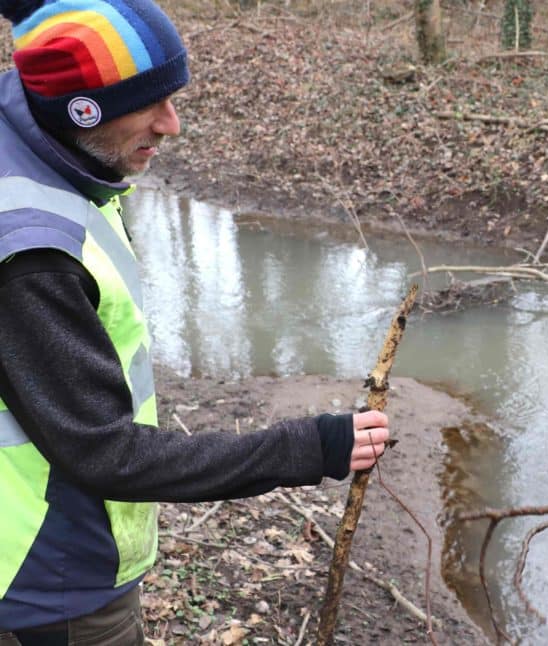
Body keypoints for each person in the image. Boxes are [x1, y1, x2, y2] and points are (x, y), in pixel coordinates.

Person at [0, 1, 389, 644]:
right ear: (81, 109)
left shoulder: (41, 146)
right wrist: (311, 447)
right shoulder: (30, 253)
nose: (172, 124)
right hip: (46, 584)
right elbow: (107, 454)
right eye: (149, 104)